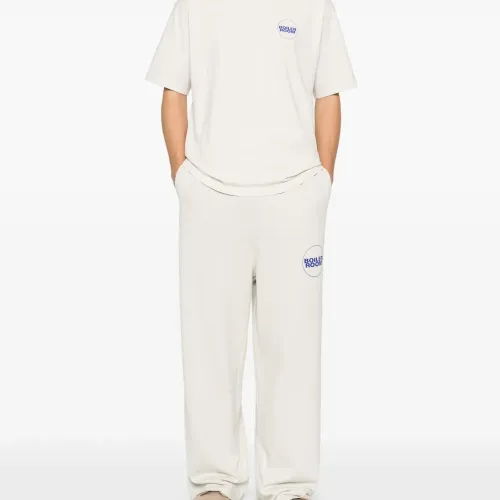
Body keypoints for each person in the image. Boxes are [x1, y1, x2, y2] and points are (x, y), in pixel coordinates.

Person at [146, 0, 356, 499]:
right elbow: (173, 89)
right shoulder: (194, 5)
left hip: (295, 197)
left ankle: (290, 484)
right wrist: (182, 176)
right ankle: (214, 482)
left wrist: (322, 181)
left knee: (293, 349)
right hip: (211, 195)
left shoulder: (313, 5)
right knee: (209, 348)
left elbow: (328, 93)